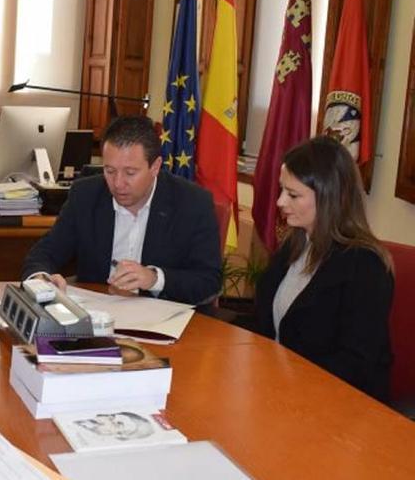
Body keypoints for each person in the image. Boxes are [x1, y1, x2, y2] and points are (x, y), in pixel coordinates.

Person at [21, 115, 222, 312]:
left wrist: (154, 278)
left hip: (166, 322)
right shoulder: (86, 195)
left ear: (155, 167)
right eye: (109, 171)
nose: (118, 183)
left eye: (130, 173)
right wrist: (40, 279)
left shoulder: (192, 203)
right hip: (98, 316)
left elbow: (208, 281)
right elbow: (44, 252)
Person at [255, 136, 394, 400]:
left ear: (330, 197)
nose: (280, 203)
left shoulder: (366, 266)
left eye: (293, 194)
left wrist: (284, 381)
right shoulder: (294, 245)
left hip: (339, 405)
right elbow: (263, 324)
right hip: (283, 392)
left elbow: (356, 364)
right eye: (282, 190)